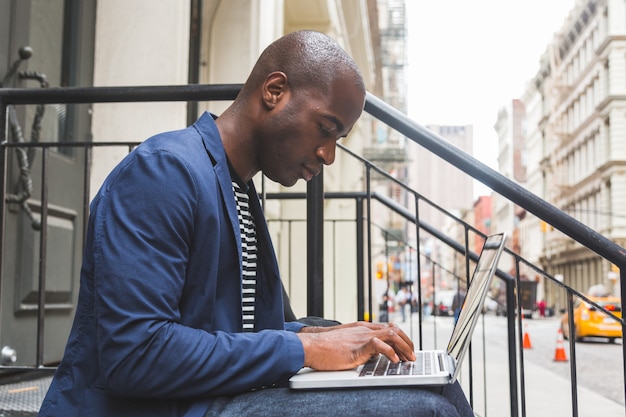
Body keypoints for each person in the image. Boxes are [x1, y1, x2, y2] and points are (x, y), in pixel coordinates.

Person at [39, 30, 473, 417]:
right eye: (325, 129)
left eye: (338, 140)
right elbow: (137, 354)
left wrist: (322, 333)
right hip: (169, 406)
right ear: (275, 90)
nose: (328, 154)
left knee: (440, 385)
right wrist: (306, 346)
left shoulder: (238, 187)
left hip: (213, 395)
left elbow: (227, 333)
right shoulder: (163, 172)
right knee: (426, 409)